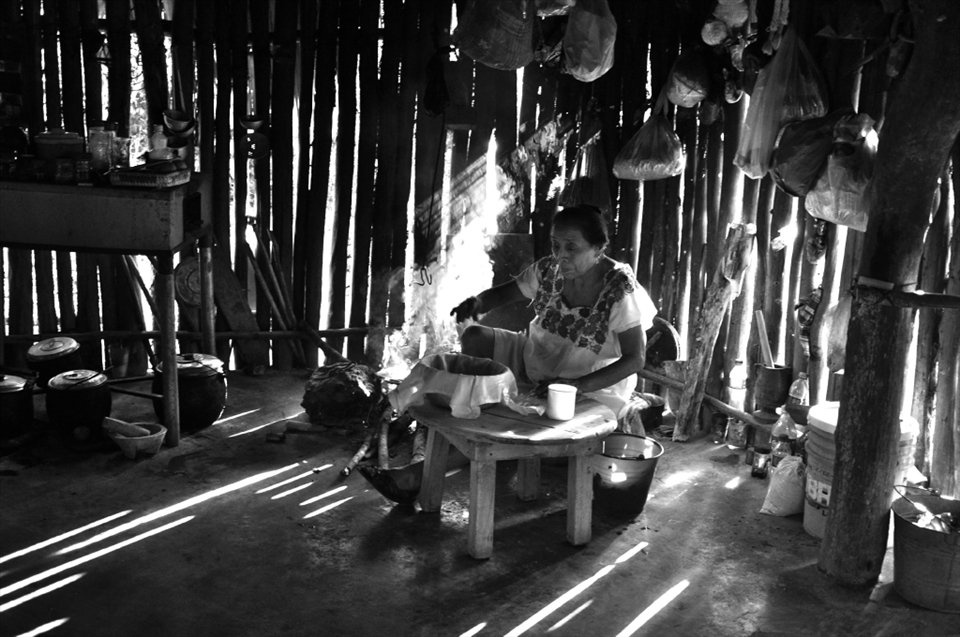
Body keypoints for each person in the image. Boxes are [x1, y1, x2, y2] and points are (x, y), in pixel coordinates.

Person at [450, 205, 658, 418]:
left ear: (598, 249)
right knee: (474, 337)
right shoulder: (548, 269)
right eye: (555, 246)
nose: (560, 257)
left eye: (572, 248)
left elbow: (635, 358)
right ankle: (480, 416)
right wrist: (477, 302)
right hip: (536, 361)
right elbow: (503, 295)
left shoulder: (619, 287)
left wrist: (578, 385)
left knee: (556, 418)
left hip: (591, 385)